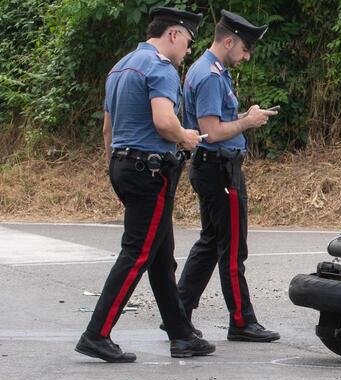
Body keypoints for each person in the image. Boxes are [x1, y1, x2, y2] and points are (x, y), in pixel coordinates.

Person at [75, 7, 216, 362]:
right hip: (149, 172)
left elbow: (107, 129)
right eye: (187, 41)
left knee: (160, 257)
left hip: (124, 166)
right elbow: (164, 121)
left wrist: (115, 167)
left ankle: (181, 335)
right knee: (137, 254)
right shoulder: (160, 68)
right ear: (173, 34)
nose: (187, 51)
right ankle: (96, 333)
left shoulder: (121, 66)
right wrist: (186, 137)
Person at [174, 10, 279, 342]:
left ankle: (177, 311)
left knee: (210, 243)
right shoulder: (209, 76)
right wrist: (247, 123)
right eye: (245, 49)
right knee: (232, 249)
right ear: (229, 40)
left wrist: (244, 116)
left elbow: (218, 121)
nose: (246, 56)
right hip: (219, 168)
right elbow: (213, 131)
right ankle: (241, 321)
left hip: (213, 167)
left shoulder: (209, 70)